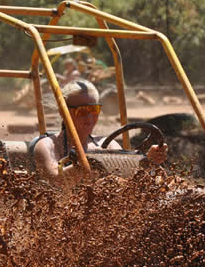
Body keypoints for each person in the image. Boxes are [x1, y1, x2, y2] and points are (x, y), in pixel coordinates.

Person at [33, 79, 168, 190]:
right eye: (82, 111)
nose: (90, 116)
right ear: (63, 112)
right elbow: (55, 182)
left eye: (94, 109)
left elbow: (129, 179)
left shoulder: (108, 145)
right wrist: (87, 164)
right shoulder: (47, 146)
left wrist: (147, 160)